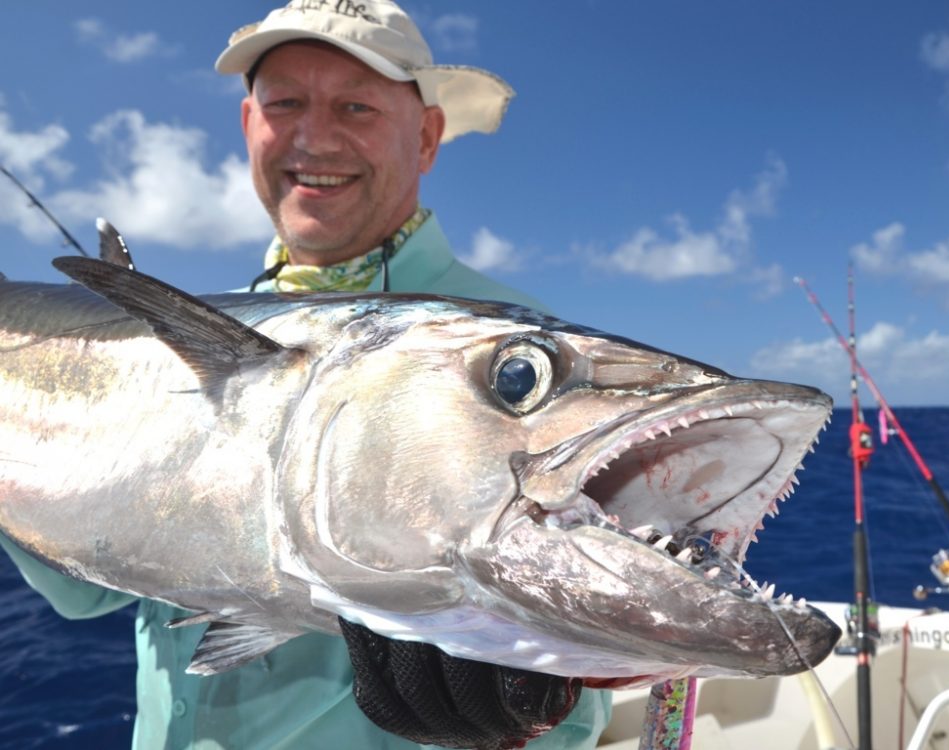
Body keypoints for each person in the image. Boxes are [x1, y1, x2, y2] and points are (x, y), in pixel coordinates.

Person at [1, 1, 613, 748]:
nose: (314, 136)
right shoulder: (199, 318)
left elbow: (595, 663)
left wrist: (539, 704)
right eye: (285, 102)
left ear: (425, 137)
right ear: (248, 125)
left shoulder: (516, 358)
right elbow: (84, 594)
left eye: (355, 105)